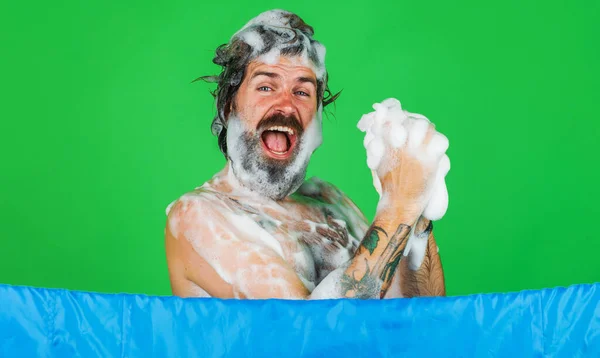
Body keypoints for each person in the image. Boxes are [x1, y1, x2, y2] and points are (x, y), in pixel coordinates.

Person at [164, 9, 448, 299]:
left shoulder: (329, 200)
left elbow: (424, 317)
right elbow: (310, 335)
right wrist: (397, 209)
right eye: (265, 86)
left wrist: (417, 210)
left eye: (302, 92)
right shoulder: (197, 216)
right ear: (228, 108)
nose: (286, 106)